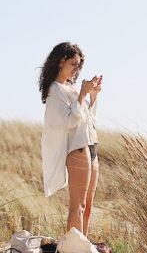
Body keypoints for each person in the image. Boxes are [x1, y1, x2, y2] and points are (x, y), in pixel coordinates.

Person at [39, 42, 103, 236]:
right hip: (77, 149)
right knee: (78, 205)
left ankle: (82, 248)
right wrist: (82, 94)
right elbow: (68, 122)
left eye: (79, 65)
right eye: (73, 64)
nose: (76, 69)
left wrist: (92, 96)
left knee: (88, 205)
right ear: (61, 62)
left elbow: (88, 120)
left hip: (91, 147)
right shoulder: (55, 90)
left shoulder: (72, 89)